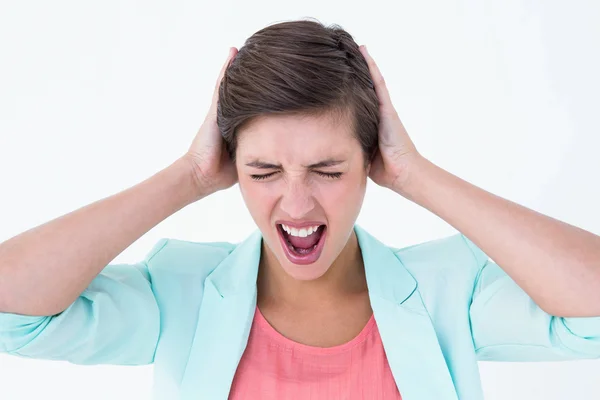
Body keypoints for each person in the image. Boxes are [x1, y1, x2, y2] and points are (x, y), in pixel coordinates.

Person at [0, 19, 599, 400]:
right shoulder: (179, 294)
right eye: (263, 172)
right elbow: (12, 309)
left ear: (371, 163)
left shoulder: (449, 293)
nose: (296, 202)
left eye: (328, 171)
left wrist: (417, 175)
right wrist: (187, 176)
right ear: (232, 165)